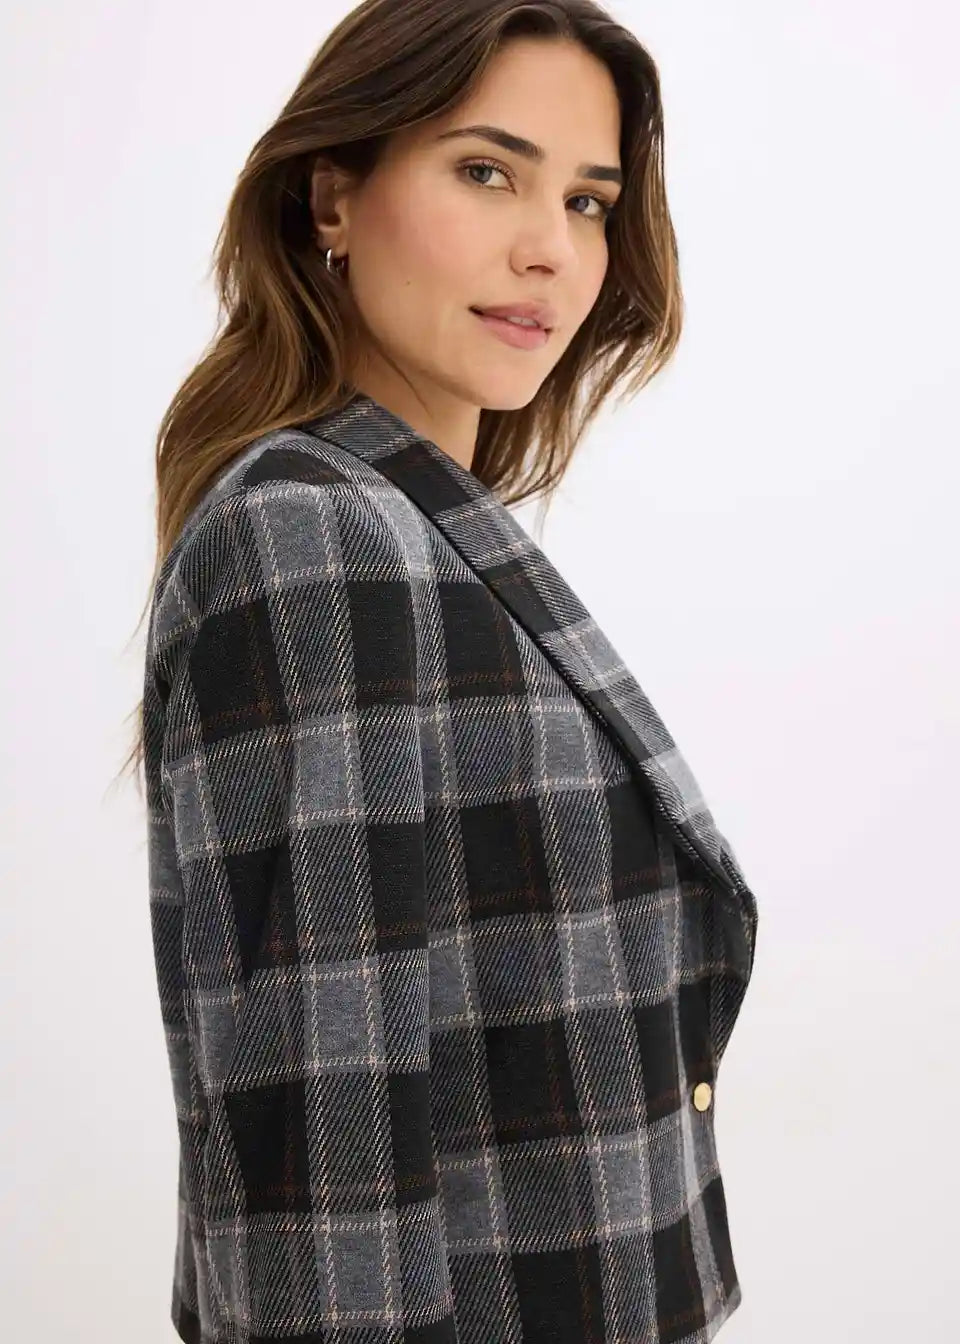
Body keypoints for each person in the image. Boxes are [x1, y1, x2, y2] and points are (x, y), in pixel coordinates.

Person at [126, 2, 759, 1340]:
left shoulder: (412, 528)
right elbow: (331, 1158)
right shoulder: (316, 538)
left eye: (588, 202)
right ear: (332, 198)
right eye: (486, 171)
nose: (551, 249)